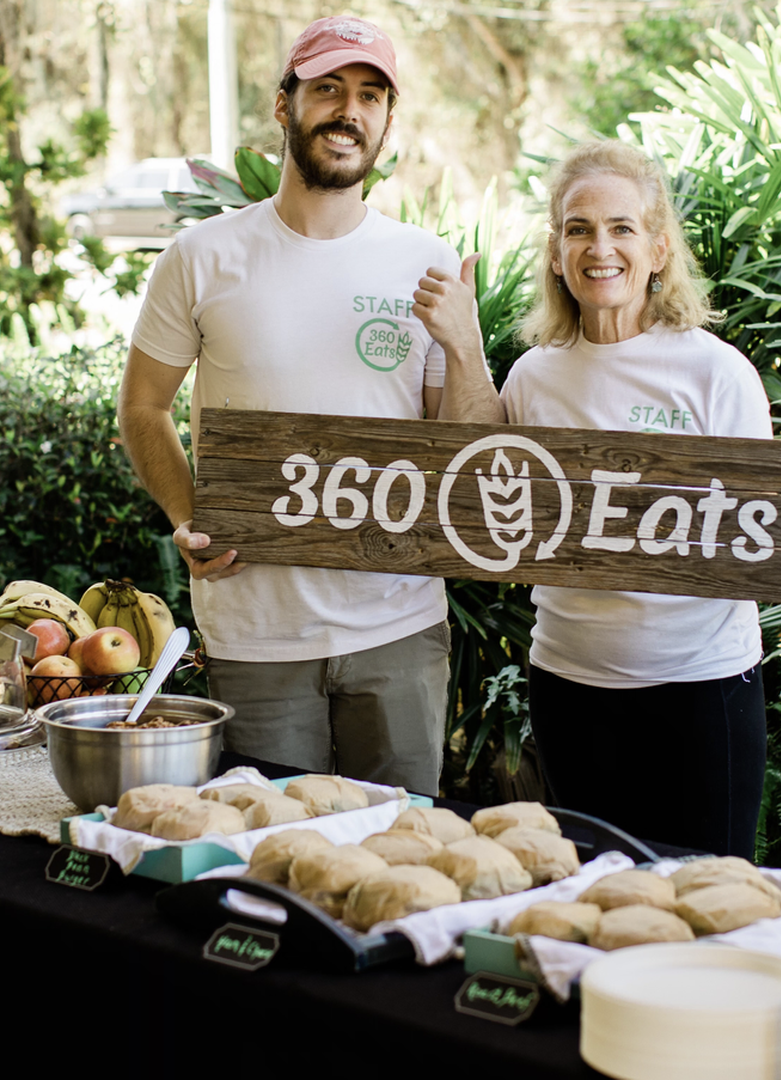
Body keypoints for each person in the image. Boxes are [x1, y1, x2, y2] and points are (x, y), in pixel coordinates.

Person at [116, 16, 497, 794]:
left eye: (368, 95)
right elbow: (143, 407)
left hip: (399, 625)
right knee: (267, 860)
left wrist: (462, 343)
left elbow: (466, 450)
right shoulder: (202, 257)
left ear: (389, 122)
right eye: (327, 89)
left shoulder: (424, 261)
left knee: (401, 856)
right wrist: (189, 517)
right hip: (255, 630)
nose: (347, 111)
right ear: (284, 105)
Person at [499, 140, 772, 856]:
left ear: (657, 249)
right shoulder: (532, 378)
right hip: (569, 685)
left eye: (621, 228)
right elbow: (490, 508)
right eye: (579, 229)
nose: (600, 248)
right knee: (596, 896)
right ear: (556, 254)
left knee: (707, 900)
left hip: (702, 688)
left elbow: (762, 531)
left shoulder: (716, 373)